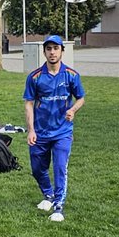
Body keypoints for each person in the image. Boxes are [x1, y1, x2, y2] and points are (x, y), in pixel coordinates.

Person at [23, 34, 85, 224]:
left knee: (59, 167)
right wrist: (31, 130)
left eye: (55, 48)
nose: (52, 52)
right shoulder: (35, 77)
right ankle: (48, 195)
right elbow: (28, 104)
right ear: (44, 52)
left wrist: (73, 110)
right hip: (40, 132)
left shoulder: (71, 75)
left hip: (62, 132)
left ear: (62, 51)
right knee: (37, 169)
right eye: (48, 49)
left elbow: (80, 98)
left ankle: (58, 206)